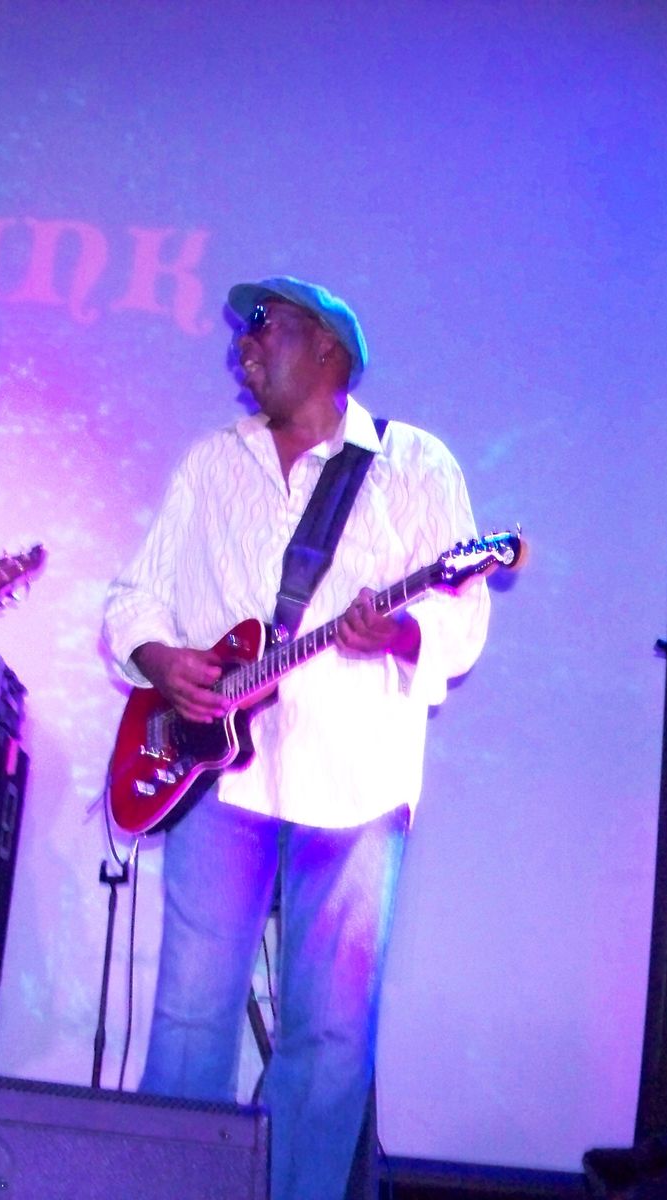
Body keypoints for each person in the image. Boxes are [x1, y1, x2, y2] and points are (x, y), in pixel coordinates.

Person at [102, 276, 492, 1200]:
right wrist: (163, 661)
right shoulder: (212, 464)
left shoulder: (414, 463)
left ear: (327, 348)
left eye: (264, 327)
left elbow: (463, 620)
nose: (244, 343)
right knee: (189, 1021)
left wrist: (399, 631)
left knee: (329, 1037)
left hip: (356, 785)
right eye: (243, 330)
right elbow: (132, 601)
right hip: (218, 785)